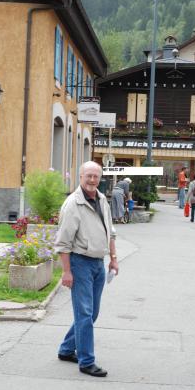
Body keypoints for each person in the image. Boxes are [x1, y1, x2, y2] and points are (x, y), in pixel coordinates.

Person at [55, 161, 118, 377]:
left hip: (98, 264)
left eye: (95, 176)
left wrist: (114, 258)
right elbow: (63, 242)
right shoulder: (73, 204)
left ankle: (66, 349)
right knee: (84, 313)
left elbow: (111, 231)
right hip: (79, 263)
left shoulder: (101, 199)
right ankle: (86, 361)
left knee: (92, 313)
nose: (92, 180)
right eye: (88, 176)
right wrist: (66, 271)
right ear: (80, 177)